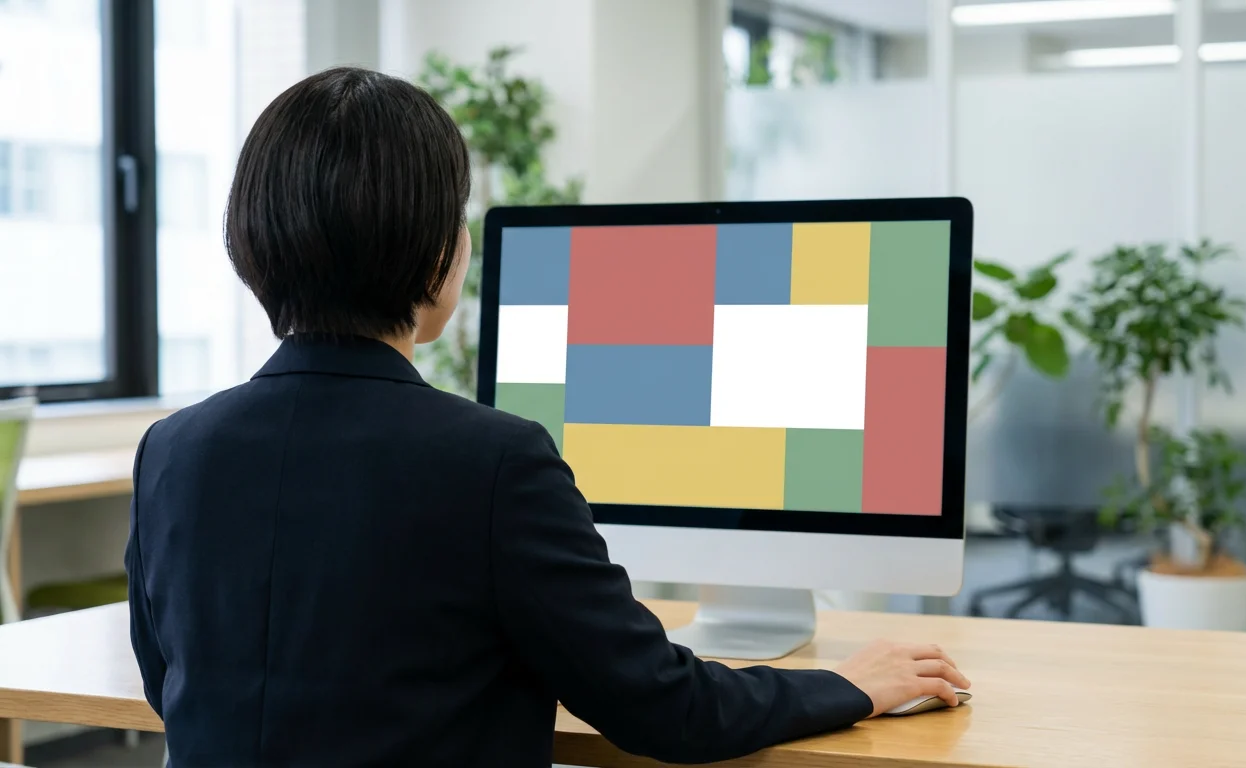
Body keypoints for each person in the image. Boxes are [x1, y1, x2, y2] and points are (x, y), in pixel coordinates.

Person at [125, 67, 970, 768]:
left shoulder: (172, 451)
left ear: (252, 243)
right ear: (439, 257)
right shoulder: (490, 462)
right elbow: (663, 709)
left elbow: (173, 684)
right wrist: (853, 683)